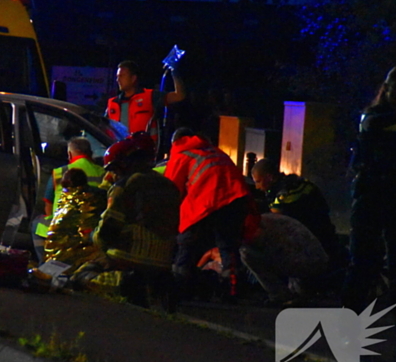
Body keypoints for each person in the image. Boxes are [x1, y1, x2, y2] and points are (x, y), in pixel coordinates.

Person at [342, 66, 396, 356]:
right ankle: (348, 336)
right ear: (386, 87)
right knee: (363, 265)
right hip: (372, 198)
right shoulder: (375, 117)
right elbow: (370, 143)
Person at [92, 132, 181, 311]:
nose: (112, 175)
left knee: (82, 274)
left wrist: (93, 238)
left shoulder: (125, 186)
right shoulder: (170, 186)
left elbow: (108, 230)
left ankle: (122, 282)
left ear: (125, 164)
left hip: (129, 257)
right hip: (164, 261)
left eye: (114, 170)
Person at [164, 128, 252, 299]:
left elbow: (171, 190)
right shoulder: (216, 152)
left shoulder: (182, 154)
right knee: (228, 247)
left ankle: (179, 290)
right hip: (236, 200)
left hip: (206, 202)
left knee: (186, 245)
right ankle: (233, 291)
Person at [251, 158, 347, 273]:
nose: (257, 187)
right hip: (324, 240)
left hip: (314, 247)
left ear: (269, 177)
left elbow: (275, 221)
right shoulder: (296, 184)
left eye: (258, 181)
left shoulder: (286, 193)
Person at [31, 137, 105, 261]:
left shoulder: (59, 172)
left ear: (69, 154)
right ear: (91, 153)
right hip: (93, 229)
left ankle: (43, 264)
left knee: (37, 224)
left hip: (64, 229)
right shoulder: (104, 173)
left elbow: (48, 205)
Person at [241, 213, 330, 305]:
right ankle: (296, 292)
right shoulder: (258, 219)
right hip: (310, 258)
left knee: (247, 254)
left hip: (310, 260)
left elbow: (255, 237)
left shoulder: (254, 225)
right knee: (248, 252)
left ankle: (282, 295)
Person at [41, 168, 107, 272]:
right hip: (99, 244)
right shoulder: (100, 194)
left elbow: (55, 231)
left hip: (77, 248)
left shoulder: (69, 202)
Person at [105, 60, 185, 143]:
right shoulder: (113, 103)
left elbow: (179, 96)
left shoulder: (150, 96)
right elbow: (102, 128)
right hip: (118, 149)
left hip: (146, 149)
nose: (118, 80)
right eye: (117, 76)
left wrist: (174, 72)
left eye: (122, 76)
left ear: (133, 78)